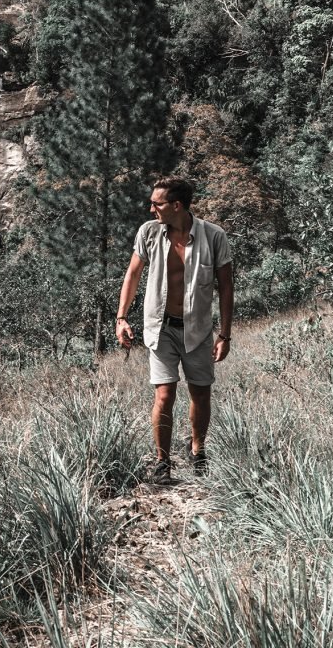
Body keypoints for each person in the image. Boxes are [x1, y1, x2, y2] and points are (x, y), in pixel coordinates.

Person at [116, 176, 233, 484]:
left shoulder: (214, 236)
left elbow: (226, 286)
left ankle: (197, 452)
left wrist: (225, 334)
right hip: (161, 327)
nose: (151, 208)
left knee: (200, 392)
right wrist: (121, 317)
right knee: (164, 394)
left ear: (176, 206)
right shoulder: (149, 233)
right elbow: (132, 274)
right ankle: (162, 462)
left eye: (157, 203)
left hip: (198, 329)